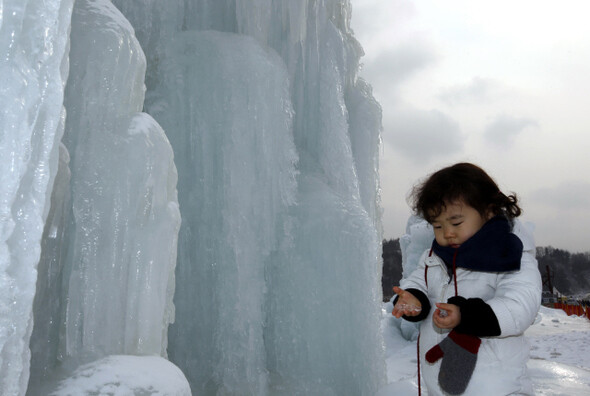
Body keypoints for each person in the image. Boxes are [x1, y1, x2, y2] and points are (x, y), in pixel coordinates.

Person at [392, 162, 542, 396]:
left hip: (497, 388)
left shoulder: (509, 255)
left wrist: (466, 315)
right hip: (440, 385)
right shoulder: (433, 257)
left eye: (456, 222)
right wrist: (413, 298)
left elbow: (521, 306)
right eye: (438, 225)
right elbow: (417, 282)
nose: (447, 233)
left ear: (489, 211)